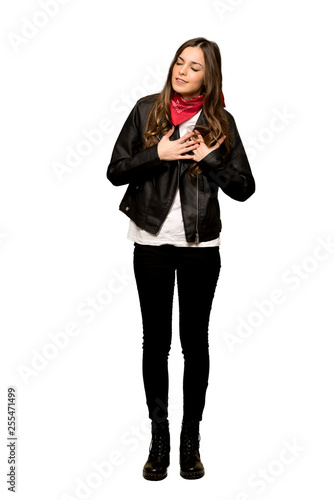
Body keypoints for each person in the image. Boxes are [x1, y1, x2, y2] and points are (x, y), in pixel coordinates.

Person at [106, 37, 255, 481]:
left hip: (200, 248)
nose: (183, 70)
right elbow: (115, 171)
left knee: (195, 344)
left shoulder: (220, 121)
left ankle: (191, 441)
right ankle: (159, 438)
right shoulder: (146, 109)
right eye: (179, 61)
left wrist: (210, 159)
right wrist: (159, 153)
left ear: (210, 76)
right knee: (156, 342)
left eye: (195, 66)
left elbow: (244, 187)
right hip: (149, 244)